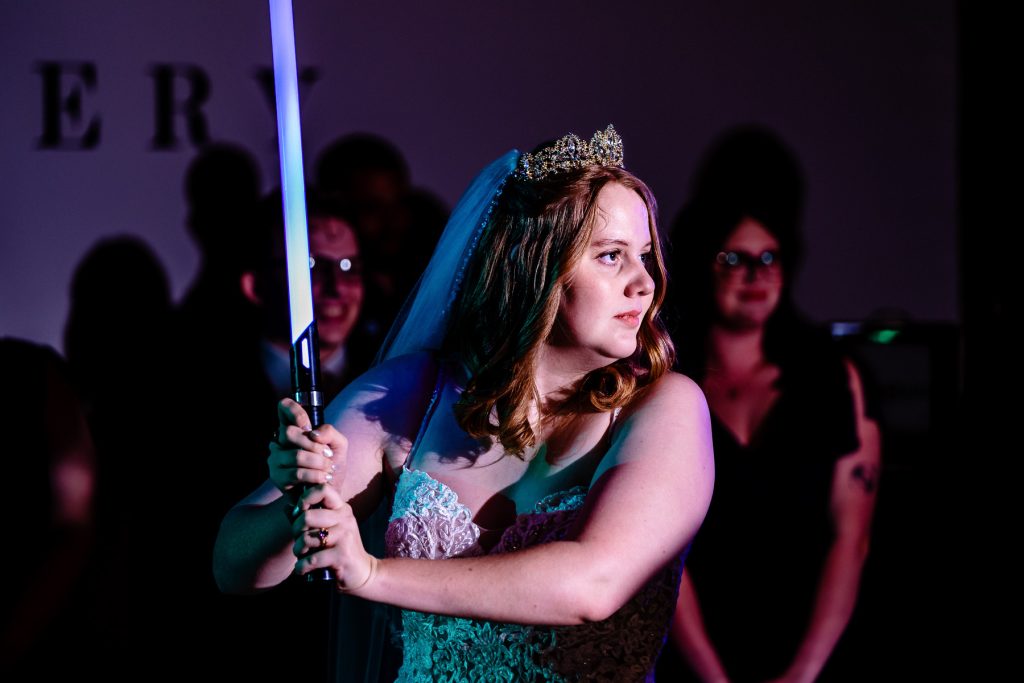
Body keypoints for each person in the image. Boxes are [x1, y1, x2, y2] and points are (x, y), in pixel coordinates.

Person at [214, 125, 715, 682]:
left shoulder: (663, 408)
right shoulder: (409, 396)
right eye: (611, 256)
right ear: (534, 268)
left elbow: (592, 586)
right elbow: (233, 567)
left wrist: (373, 573)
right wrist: (298, 502)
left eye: (644, 255)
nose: (644, 283)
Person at [657, 126, 882, 683]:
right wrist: (713, 677)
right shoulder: (666, 386)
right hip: (697, 658)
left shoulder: (833, 379)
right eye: (735, 257)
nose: (756, 275)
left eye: (769, 257)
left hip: (813, 655)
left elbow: (850, 538)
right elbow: (662, 551)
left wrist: (803, 674)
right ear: (705, 262)